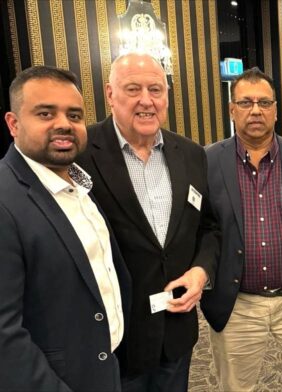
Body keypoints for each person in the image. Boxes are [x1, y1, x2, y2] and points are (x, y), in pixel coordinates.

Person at [77, 53, 221, 392]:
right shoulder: (81, 153)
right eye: (133, 89)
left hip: (176, 328)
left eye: (155, 89)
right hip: (114, 336)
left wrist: (201, 272)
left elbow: (209, 228)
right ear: (110, 94)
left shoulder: (190, 153)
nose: (146, 100)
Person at [200, 67, 282, 392]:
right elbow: (201, 229)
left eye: (264, 102)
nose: (256, 110)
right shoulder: (207, 162)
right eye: (245, 103)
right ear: (232, 110)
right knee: (235, 387)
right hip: (238, 305)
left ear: (276, 109)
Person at [0, 65, 131, 391]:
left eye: (74, 115)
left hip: (103, 367)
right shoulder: (5, 200)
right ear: (13, 124)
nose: (64, 124)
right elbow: (4, 336)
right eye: (45, 114)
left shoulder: (79, 186)